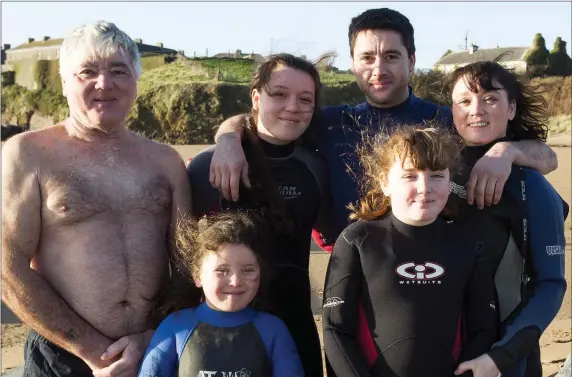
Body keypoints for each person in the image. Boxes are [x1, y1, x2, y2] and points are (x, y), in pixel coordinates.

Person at [207, 7, 558, 247]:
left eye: (391, 56)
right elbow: (258, 122)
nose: (379, 68)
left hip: (433, 268)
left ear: (412, 60)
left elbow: (547, 157)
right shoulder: (328, 122)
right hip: (350, 270)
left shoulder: (446, 120)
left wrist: (506, 150)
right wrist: (227, 141)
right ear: (353, 64)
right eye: (367, 58)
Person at [1, 21, 191, 377]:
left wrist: (151, 338)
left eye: (118, 71)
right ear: (64, 83)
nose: (104, 83)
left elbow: (186, 267)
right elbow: (7, 268)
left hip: (152, 352)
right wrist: (92, 350)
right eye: (87, 72)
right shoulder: (28, 153)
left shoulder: (165, 161)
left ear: (136, 80)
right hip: (62, 356)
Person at [187, 53, 330, 376]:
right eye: (279, 94)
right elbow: (178, 251)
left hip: (295, 326)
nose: (292, 106)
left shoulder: (317, 168)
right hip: (221, 329)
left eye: (304, 99)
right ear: (256, 97)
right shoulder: (207, 167)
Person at [322, 127, 498, 377]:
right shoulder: (357, 241)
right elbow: (335, 330)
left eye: (436, 176)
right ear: (385, 183)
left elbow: (484, 329)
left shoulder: (466, 244)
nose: (425, 187)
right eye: (409, 176)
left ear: (450, 183)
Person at [445, 61, 568, 377]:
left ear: (511, 108)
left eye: (490, 98)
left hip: (507, 361)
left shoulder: (531, 185)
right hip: (440, 351)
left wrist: (502, 357)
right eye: (465, 101)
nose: (477, 110)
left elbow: (550, 285)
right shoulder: (433, 178)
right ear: (452, 110)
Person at [138, 212, 304, 377]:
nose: (235, 281)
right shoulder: (176, 327)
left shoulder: (273, 330)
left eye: (248, 270)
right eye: (222, 270)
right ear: (197, 276)